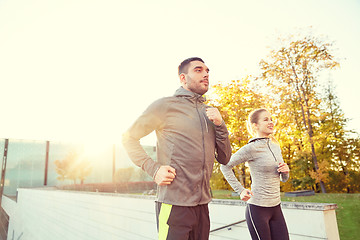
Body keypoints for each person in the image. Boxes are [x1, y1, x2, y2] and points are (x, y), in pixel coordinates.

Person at [122, 57, 232, 240]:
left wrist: (220, 125)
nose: (206, 74)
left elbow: (224, 158)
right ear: (183, 78)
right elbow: (129, 138)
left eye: (207, 71)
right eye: (198, 70)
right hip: (174, 205)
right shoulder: (165, 106)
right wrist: (154, 168)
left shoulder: (210, 113)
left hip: (202, 207)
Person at [220, 108, 290, 240]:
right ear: (255, 125)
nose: (270, 122)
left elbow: (283, 179)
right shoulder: (251, 148)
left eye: (271, 119)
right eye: (266, 119)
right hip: (258, 209)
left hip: (276, 207)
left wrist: (285, 172)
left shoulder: (275, 146)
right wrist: (240, 190)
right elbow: (225, 166)